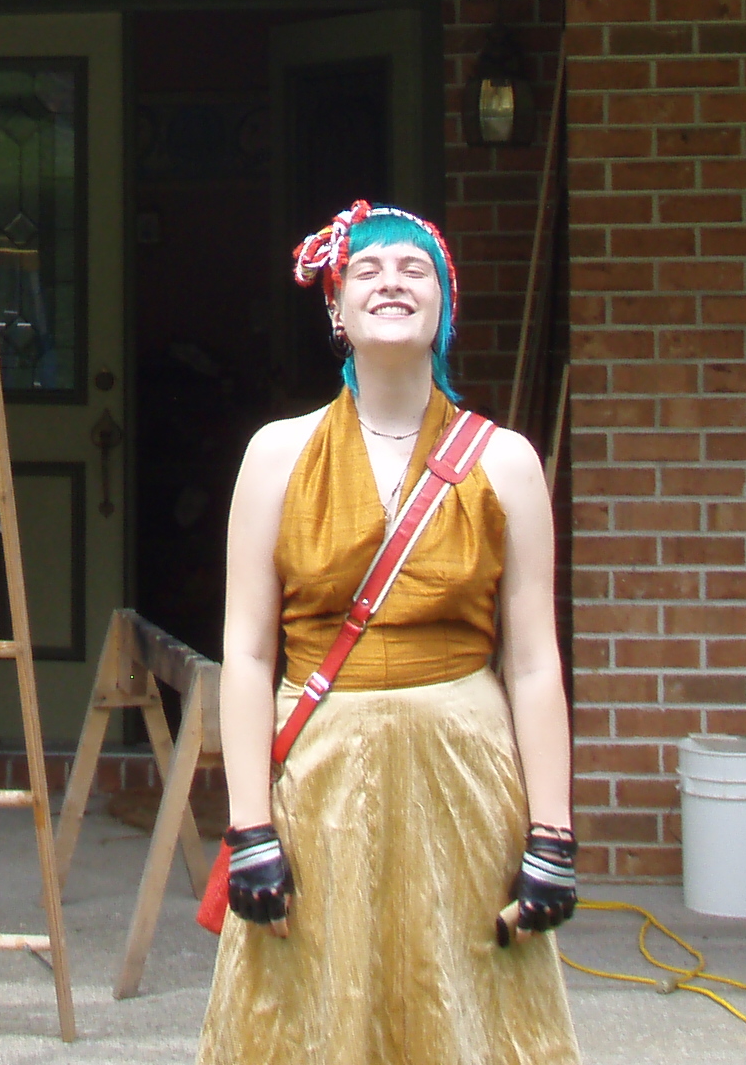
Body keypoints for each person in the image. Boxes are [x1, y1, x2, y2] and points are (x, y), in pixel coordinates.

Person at [195, 201, 580, 1065]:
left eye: (416, 269)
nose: (392, 281)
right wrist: (248, 826)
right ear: (336, 310)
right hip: (320, 786)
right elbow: (250, 655)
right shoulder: (277, 457)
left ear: (445, 305)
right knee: (311, 1017)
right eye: (367, 270)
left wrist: (552, 834)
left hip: (466, 786)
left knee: (467, 1013)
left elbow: (531, 662)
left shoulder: (506, 462)